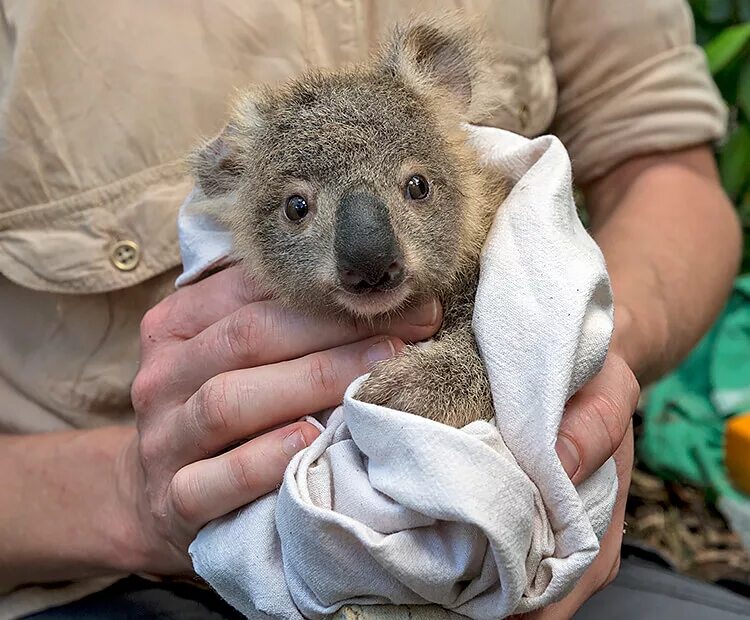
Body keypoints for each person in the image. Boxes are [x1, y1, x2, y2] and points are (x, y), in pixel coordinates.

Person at [0, 1, 744, 618]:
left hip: (521, 557)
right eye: (298, 209)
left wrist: (580, 354)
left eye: (416, 187)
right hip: (116, 578)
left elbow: (666, 168)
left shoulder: (492, 217)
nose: (368, 248)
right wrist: (129, 496)